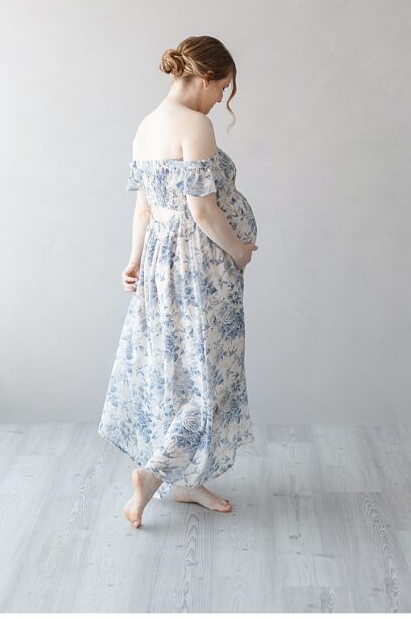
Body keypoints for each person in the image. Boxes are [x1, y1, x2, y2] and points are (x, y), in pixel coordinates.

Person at [97, 36, 258, 529]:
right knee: (207, 370)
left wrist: (134, 261)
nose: (220, 100)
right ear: (206, 78)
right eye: (222, 88)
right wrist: (239, 252)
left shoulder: (146, 127)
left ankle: (184, 482)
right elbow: (202, 210)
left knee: (178, 369)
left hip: (160, 262)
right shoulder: (196, 125)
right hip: (198, 264)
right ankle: (151, 475)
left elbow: (144, 207)